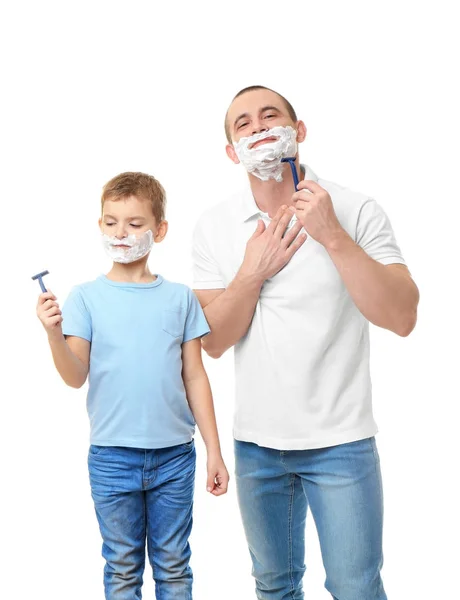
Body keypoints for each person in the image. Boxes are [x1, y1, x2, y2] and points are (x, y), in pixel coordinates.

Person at [192, 85, 419, 600]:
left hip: (342, 441)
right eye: (242, 123)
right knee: (274, 586)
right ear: (232, 151)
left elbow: (403, 317)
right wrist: (251, 274)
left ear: (298, 131)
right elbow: (214, 342)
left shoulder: (356, 209)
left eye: (270, 115)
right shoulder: (214, 227)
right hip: (256, 446)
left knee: (356, 588)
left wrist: (333, 235)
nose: (258, 126)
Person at [36, 171, 229, 600]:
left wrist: (214, 451)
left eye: (135, 223)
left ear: (159, 231)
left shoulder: (179, 298)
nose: (121, 233)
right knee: (122, 569)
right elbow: (74, 376)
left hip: (175, 457)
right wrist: (54, 334)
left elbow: (195, 375)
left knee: (174, 567)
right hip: (111, 458)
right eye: (111, 222)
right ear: (100, 225)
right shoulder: (85, 298)